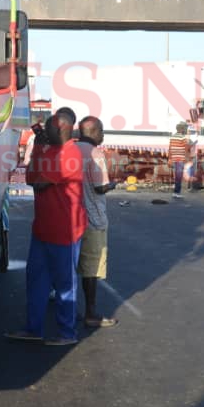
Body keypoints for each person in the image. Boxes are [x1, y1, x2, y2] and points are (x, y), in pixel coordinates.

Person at [6, 112, 85, 346]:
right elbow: (31, 179)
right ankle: (34, 328)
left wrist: (39, 150)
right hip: (44, 228)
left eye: (48, 128)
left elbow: (39, 183)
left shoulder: (70, 154)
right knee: (36, 281)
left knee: (65, 284)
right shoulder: (51, 151)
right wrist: (40, 149)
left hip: (65, 232)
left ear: (61, 128)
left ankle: (67, 333)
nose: (43, 132)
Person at [75, 116, 118, 328]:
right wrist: (113, 184)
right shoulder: (96, 153)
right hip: (93, 218)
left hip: (73, 217)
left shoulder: (71, 150)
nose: (103, 135)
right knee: (91, 268)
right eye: (101, 131)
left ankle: (68, 308)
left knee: (72, 265)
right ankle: (90, 312)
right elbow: (100, 187)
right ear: (93, 131)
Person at [168, 121, 193, 198]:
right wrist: (192, 145)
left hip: (174, 158)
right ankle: (176, 192)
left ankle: (176, 191)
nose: (186, 130)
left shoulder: (172, 136)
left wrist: (169, 159)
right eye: (185, 128)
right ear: (182, 129)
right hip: (180, 159)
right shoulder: (183, 137)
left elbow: (170, 148)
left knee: (177, 175)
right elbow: (186, 148)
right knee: (179, 176)